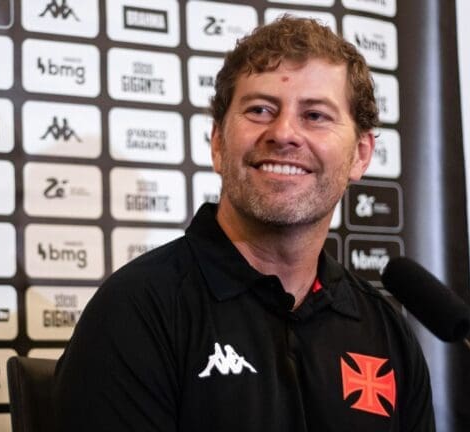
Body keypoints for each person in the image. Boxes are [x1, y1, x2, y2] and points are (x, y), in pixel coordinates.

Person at [55, 16, 435, 431]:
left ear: (360, 154)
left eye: (315, 115)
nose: (284, 133)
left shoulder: (385, 331)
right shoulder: (138, 310)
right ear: (218, 143)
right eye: (260, 110)